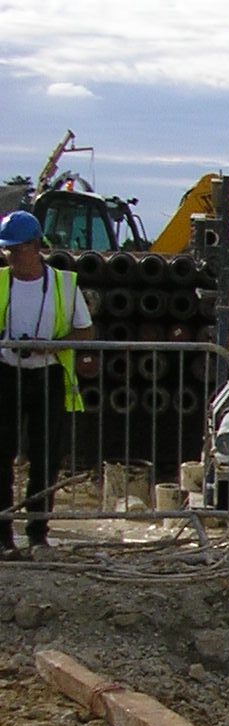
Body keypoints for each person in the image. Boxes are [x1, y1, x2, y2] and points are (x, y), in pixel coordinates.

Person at [0, 210, 95, 559]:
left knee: (45, 458)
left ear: (35, 246)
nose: (10, 256)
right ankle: (3, 536)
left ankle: (37, 534)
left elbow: (85, 332)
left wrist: (51, 345)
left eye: (16, 249)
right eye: (6, 250)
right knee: (1, 457)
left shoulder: (64, 285)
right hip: (6, 374)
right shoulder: (0, 282)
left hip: (48, 374)